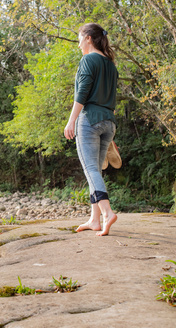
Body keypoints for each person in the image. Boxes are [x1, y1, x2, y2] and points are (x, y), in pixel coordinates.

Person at [64, 23, 118, 236]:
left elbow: (83, 92)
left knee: (91, 169)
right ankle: (94, 220)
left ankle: (106, 212)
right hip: (109, 122)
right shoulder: (111, 64)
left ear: (88, 38)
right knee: (95, 170)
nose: (78, 44)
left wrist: (71, 121)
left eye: (79, 38)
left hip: (90, 120)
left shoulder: (89, 59)